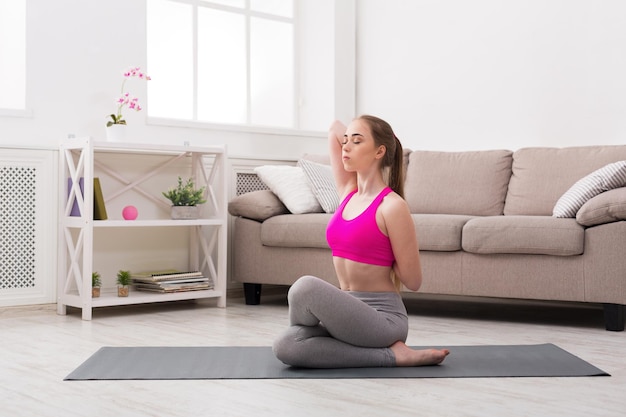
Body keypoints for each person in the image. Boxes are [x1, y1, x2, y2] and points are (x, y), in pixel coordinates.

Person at [272, 115, 450, 368]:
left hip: (382, 319)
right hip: (347, 314)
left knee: (305, 288)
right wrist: (358, 135)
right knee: (286, 345)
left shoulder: (392, 206)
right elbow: (334, 127)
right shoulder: (348, 191)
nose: (345, 146)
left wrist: (387, 251)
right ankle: (389, 354)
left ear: (380, 151)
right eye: (346, 142)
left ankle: (395, 355)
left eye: (356, 141)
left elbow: (413, 281)